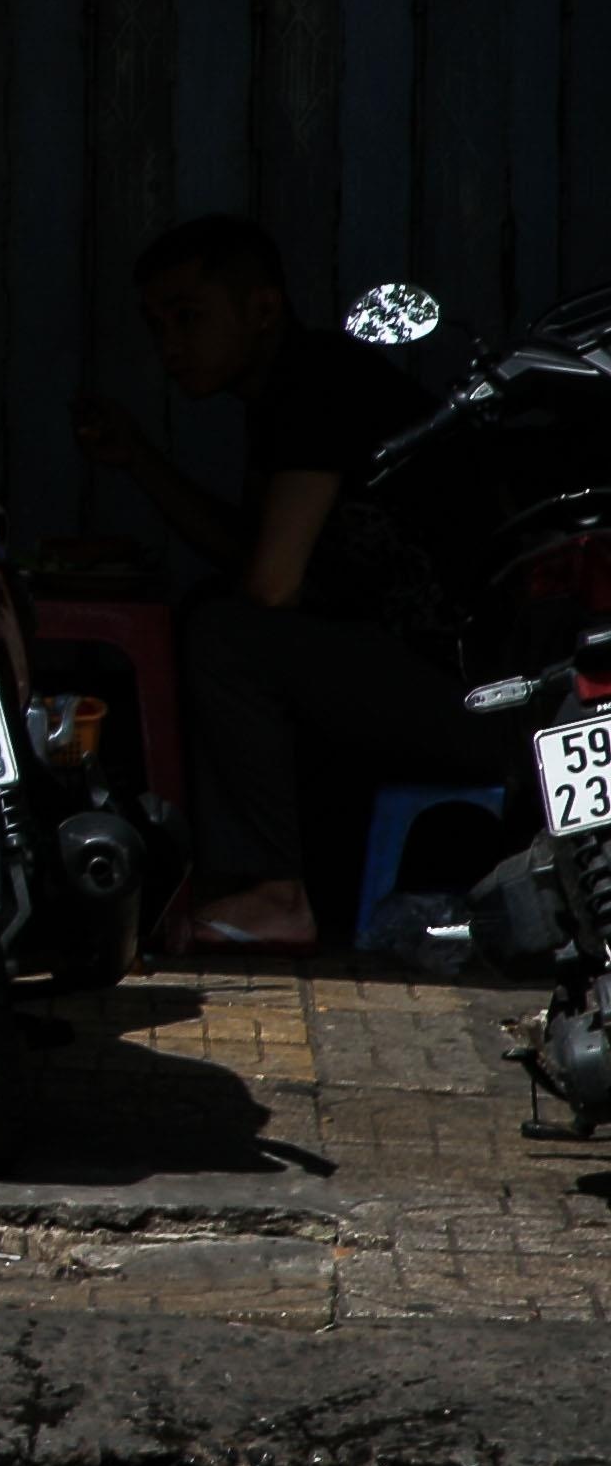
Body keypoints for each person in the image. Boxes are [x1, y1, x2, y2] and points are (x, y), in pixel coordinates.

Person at [75, 215, 499, 951]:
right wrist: (140, 459)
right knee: (214, 614)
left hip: (470, 691)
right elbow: (255, 557)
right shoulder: (282, 396)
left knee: (225, 634)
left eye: (189, 317)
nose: (169, 345)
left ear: (262, 309)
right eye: (156, 324)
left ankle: (275, 892)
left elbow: (269, 586)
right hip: (413, 679)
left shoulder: (318, 383)